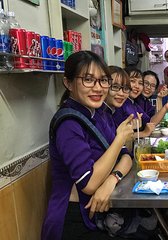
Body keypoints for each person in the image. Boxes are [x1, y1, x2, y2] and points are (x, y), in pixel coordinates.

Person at [42, 51, 134, 240]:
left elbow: (126, 157)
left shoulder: (99, 114)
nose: (98, 88)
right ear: (68, 83)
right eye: (88, 80)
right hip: (73, 218)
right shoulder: (68, 123)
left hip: (98, 214)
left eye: (103, 80)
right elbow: (89, 183)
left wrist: (110, 181)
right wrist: (119, 139)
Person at [114, 67, 155, 138]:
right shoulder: (120, 103)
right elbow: (117, 137)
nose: (137, 86)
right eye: (132, 81)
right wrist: (144, 133)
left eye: (140, 83)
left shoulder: (133, 103)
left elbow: (149, 121)